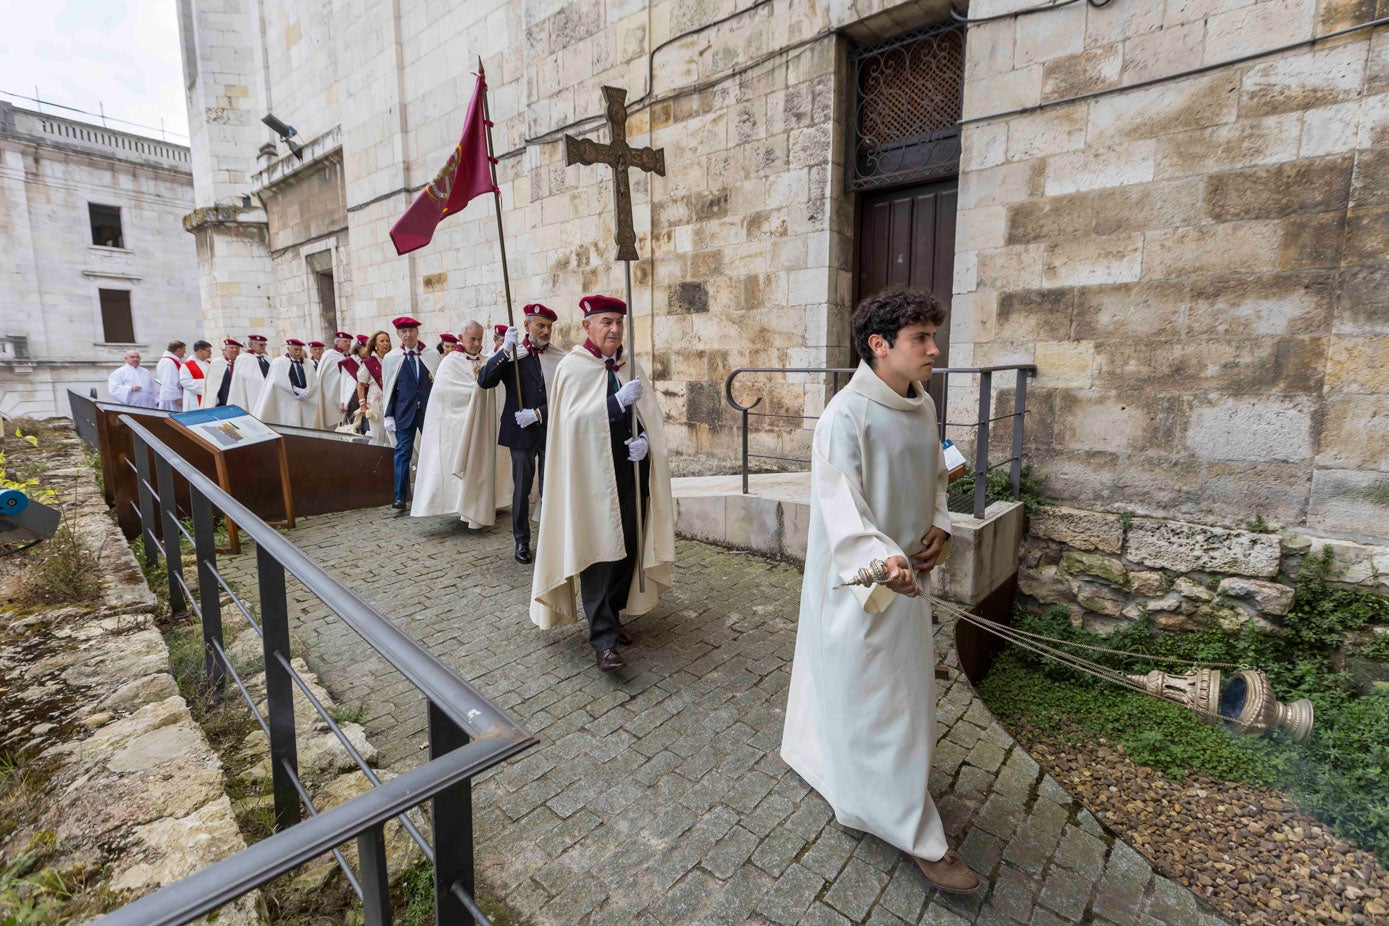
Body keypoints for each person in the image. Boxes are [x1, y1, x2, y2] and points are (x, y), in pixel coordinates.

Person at [779, 289, 977, 895]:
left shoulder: (923, 404)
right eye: (920, 338)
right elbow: (842, 507)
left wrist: (942, 526)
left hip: (908, 582)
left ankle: (875, 781)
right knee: (876, 700)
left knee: (896, 696)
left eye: (931, 337)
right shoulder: (845, 416)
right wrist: (883, 561)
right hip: (863, 584)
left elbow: (936, 476)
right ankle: (917, 834)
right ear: (879, 345)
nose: (934, 350)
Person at [530, 294, 675, 672]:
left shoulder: (631, 365)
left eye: (618, 322)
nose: (614, 329)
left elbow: (649, 418)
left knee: (627, 546)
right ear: (587, 326)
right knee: (598, 549)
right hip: (592, 477)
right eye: (606, 321)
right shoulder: (572, 368)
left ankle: (611, 615)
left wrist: (646, 442)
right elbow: (571, 424)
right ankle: (603, 640)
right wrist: (613, 405)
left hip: (630, 471)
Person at [477, 303, 563, 564]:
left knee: (552, 487)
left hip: (550, 428)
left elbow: (566, 396)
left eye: (549, 326)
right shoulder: (514, 353)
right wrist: (504, 351)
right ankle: (521, 541)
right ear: (527, 326)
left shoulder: (560, 357)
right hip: (520, 433)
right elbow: (485, 380)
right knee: (522, 489)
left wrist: (540, 413)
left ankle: (552, 539)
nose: (546, 330)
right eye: (540, 325)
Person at [411, 321, 509, 527]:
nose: (476, 343)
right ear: (461, 337)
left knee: (481, 466)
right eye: (472, 339)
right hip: (459, 427)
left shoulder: (485, 360)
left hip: (482, 426)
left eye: (480, 339)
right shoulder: (450, 362)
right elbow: (444, 393)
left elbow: (495, 390)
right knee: (463, 466)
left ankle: (479, 508)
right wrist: (475, 391)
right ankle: (463, 509)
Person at [380, 317, 439, 509]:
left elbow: (438, 384)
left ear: (417, 332)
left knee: (434, 451)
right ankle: (400, 497)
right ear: (398, 334)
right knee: (402, 453)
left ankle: (436, 492)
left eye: (411, 330)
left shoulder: (430, 355)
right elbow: (389, 388)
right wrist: (388, 415)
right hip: (404, 413)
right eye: (403, 331)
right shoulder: (392, 358)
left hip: (428, 411)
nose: (408, 335)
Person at [254, 338, 320, 427]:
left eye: (300, 350)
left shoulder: (308, 364)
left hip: (305, 402)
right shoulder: (279, 362)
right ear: (288, 349)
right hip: (286, 402)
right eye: (295, 350)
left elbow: (314, 382)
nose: (298, 352)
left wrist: (308, 391)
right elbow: (276, 382)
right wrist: (295, 390)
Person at [356, 331, 392, 444]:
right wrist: (362, 405)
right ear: (375, 345)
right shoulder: (369, 363)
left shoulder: (393, 359)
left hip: (392, 401)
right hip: (376, 403)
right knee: (378, 435)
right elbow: (360, 384)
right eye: (382, 341)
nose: (385, 343)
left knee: (392, 435)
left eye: (387, 341)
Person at [317, 332, 353, 427]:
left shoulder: (349, 356)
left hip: (346, 392)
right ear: (337, 342)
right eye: (345, 341)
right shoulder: (329, 354)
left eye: (349, 342)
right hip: (331, 393)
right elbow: (324, 376)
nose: (348, 344)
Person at [228, 333, 271, 410]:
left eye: (265, 345)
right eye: (261, 345)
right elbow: (240, 380)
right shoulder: (243, 359)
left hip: (269, 394)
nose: (264, 347)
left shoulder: (268, 359)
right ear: (251, 345)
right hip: (252, 394)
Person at [203, 339, 242, 408]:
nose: (235, 350)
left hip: (238, 401)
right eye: (231, 348)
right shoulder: (217, 363)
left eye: (237, 348)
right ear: (225, 350)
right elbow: (211, 385)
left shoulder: (242, 363)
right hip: (221, 403)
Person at [179, 340, 214, 410]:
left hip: (209, 399)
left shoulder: (210, 364)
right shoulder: (187, 365)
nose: (211, 353)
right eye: (208, 351)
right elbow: (185, 382)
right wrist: (207, 386)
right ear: (200, 351)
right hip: (194, 399)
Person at [154, 340, 187, 411]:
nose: (184, 353)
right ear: (178, 349)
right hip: (173, 398)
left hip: (176, 393)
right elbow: (169, 381)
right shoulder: (168, 362)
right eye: (184, 350)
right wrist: (178, 398)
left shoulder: (171, 361)